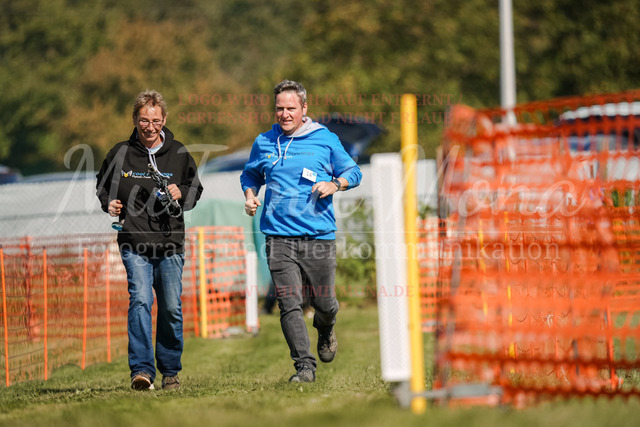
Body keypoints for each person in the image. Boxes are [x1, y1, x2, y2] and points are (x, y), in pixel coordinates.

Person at [241, 80, 362, 382]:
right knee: (289, 303)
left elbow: (354, 171)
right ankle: (304, 367)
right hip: (278, 238)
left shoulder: (324, 139)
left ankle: (326, 327)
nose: (284, 114)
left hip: (318, 237)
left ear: (304, 108)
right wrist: (250, 195)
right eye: (279, 108)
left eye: (291, 108)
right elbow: (250, 174)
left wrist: (334, 184)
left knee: (325, 304)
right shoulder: (264, 142)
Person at [96, 90, 203, 391]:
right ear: (135, 119)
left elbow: (195, 189)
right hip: (134, 242)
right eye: (144, 120)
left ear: (164, 120)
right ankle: (141, 371)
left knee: (171, 308)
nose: (150, 126)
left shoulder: (178, 152)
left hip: (170, 245)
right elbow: (103, 185)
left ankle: (170, 371)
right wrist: (108, 203)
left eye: (156, 120)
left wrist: (182, 193)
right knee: (141, 300)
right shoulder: (120, 153)